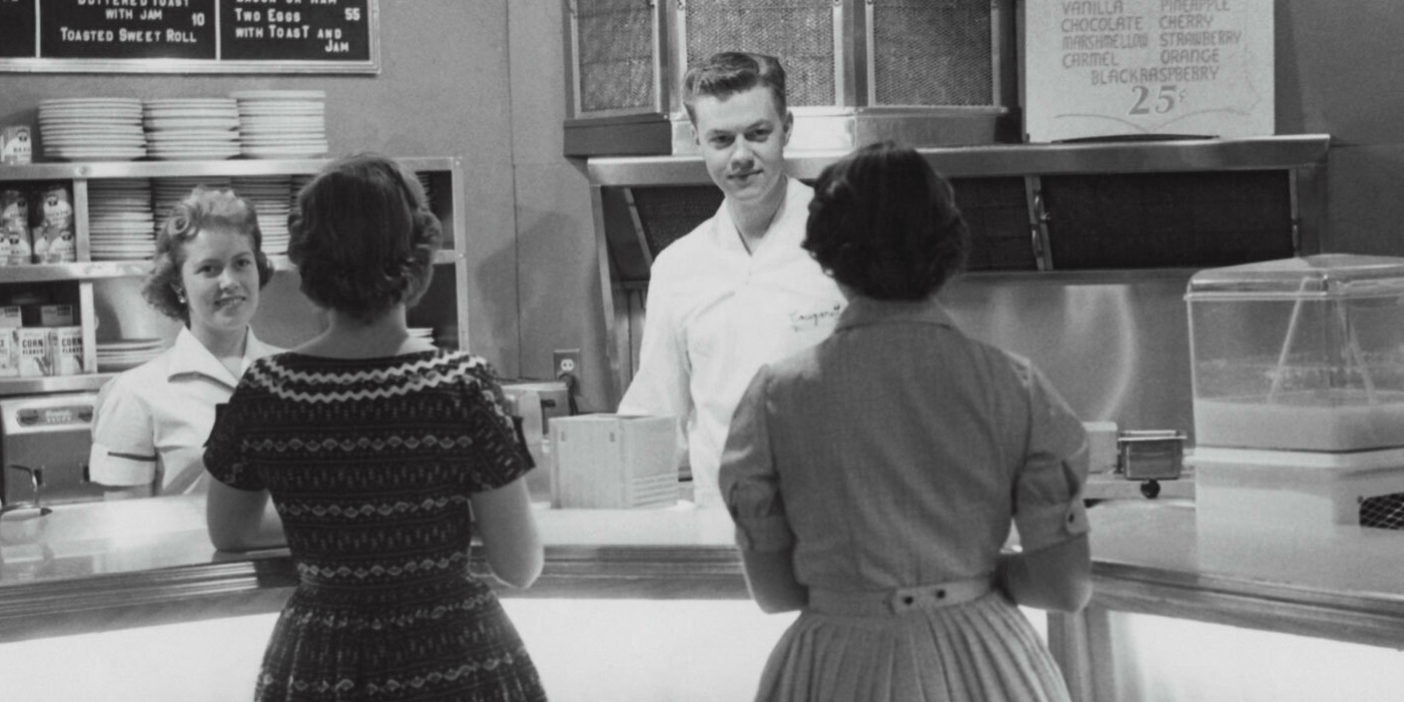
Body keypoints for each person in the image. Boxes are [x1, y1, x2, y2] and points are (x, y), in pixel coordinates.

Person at [719, 142, 1093, 702]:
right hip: (988, 661)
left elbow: (774, 592)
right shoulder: (1012, 386)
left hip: (837, 663)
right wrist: (985, 577)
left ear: (827, 255)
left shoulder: (776, 397)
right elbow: (1064, 587)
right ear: (947, 249)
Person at [203, 153, 547, 702]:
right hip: (454, 658)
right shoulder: (461, 385)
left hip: (322, 661)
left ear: (308, 265)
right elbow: (520, 564)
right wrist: (435, 511)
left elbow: (229, 531)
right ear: (419, 256)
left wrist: (332, 522)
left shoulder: (267, 389)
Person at [618, 51, 846, 507]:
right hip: (724, 530)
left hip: (838, 526)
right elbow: (655, 416)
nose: (741, 156)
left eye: (758, 134)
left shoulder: (849, 241)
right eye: (721, 139)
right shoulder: (677, 266)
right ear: (697, 141)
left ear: (788, 128)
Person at [89, 187, 279, 497]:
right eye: (209, 269)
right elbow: (125, 532)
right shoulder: (134, 394)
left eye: (242, 263)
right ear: (178, 283)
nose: (229, 282)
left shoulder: (294, 377)